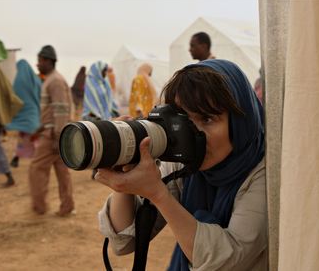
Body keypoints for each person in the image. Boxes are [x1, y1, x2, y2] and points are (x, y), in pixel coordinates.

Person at [97, 59, 267, 270]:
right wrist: (124, 169)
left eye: (207, 119)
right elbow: (124, 241)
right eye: (184, 121)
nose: (194, 134)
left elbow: (228, 260)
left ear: (240, 122)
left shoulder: (264, 174)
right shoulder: (184, 164)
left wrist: (158, 194)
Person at [28, 45, 74, 216]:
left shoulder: (55, 81)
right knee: (62, 171)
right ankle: (66, 207)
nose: (37, 64)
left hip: (54, 135)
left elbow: (61, 110)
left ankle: (39, 208)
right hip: (54, 132)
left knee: (37, 169)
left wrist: (58, 137)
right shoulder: (51, 79)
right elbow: (53, 110)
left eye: (40, 61)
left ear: (48, 61)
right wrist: (39, 128)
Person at [6, 59, 42, 168]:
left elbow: (14, 97)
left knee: (25, 138)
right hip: (33, 113)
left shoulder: (18, 81)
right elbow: (40, 93)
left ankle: (17, 158)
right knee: (34, 137)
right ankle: (38, 159)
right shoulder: (35, 80)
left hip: (23, 114)